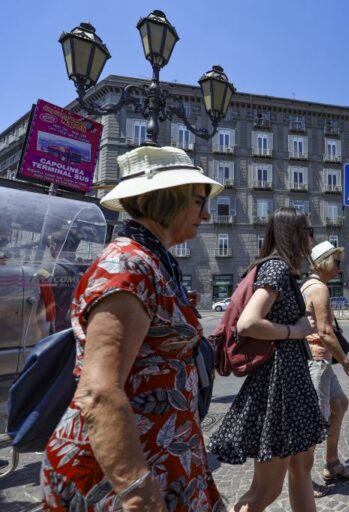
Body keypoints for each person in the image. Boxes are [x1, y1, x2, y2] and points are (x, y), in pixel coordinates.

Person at [40, 145, 225, 510]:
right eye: (199, 200)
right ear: (166, 198)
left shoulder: (152, 261)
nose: (206, 213)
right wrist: (136, 488)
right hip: (119, 472)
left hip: (162, 455)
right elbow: (99, 391)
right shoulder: (128, 265)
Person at [208, 207, 327, 512]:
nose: (313, 238)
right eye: (310, 231)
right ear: (295, 235)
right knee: (266, 490)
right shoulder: (276, 269)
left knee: (301, 468)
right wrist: (294, 330)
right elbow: (247, 323)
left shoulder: (285, 269)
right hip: (280, 387)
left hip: (290, 382)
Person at [301, 241, 349, 495]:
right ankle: (302, 480)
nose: (338, 268)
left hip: (319, 360)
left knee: (339, 404)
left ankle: (332, 463)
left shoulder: (308, 285)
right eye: (336, 263)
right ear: (324, 262)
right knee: (316, 421)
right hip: (316, 361)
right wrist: (347, 365)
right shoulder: (319, 288)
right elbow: (325, 331)